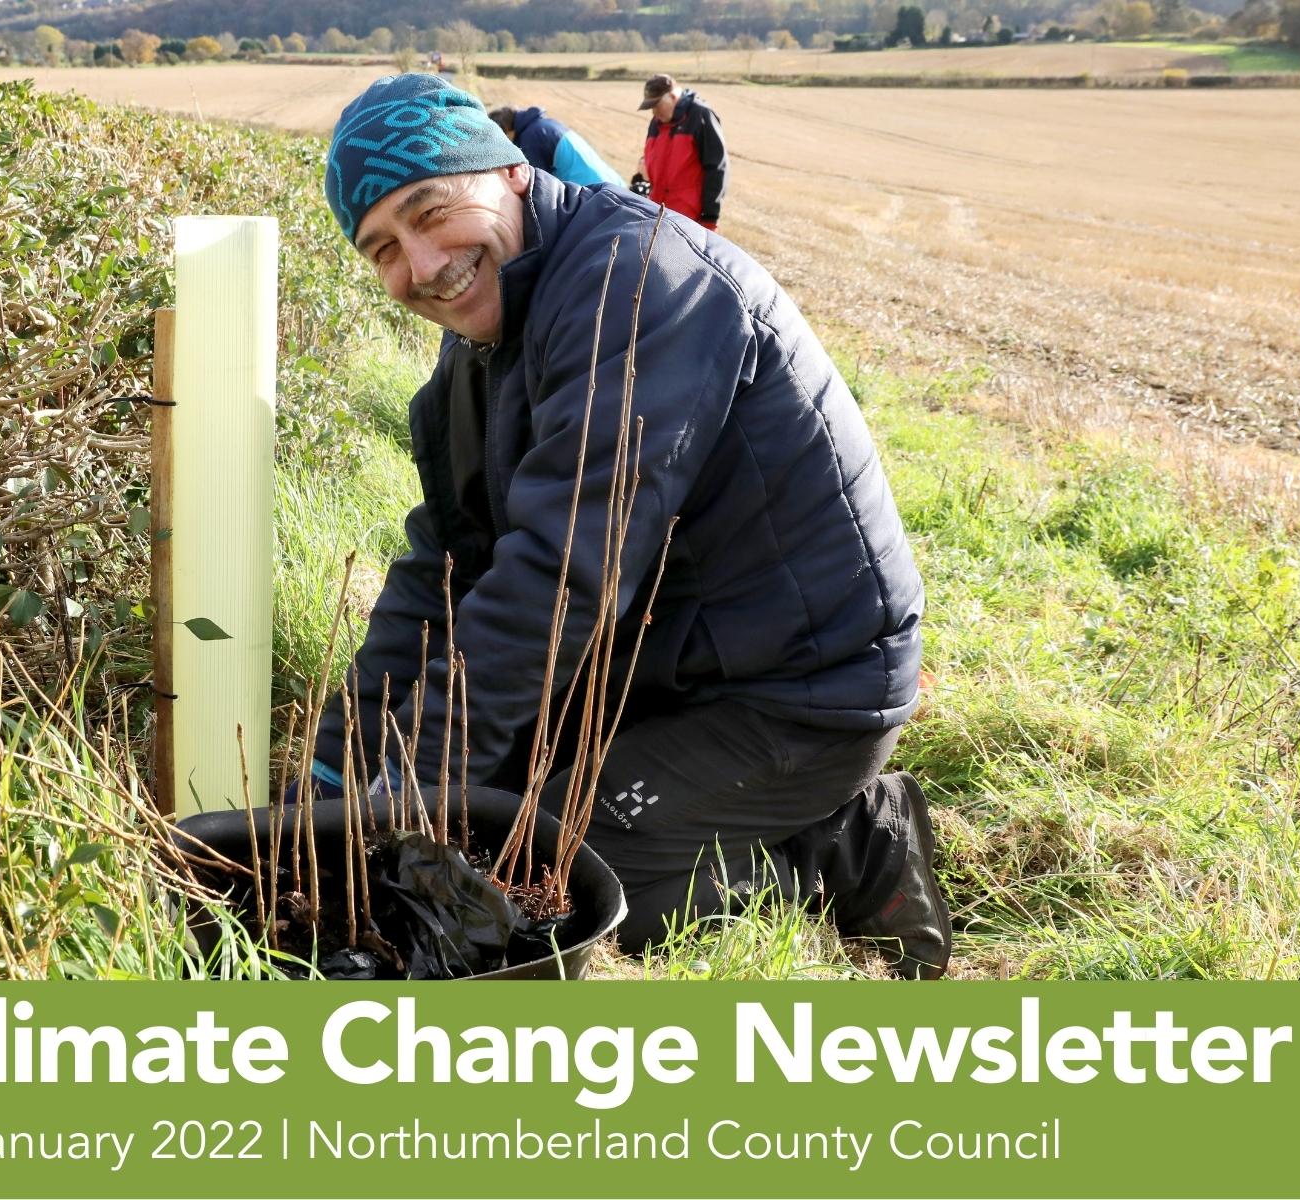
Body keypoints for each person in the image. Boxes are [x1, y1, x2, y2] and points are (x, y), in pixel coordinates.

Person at [313, 74, 949, 978]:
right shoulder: (478, 350)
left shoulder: (641, 285)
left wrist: (418, 779)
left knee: (557, 886)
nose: (420, 266)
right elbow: (442, 566)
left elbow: (563, 570)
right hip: (662, 664)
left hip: (800, 693)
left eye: (431, 209)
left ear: (509, 173)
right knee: (482, 819)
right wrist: (340, 769)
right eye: (382, 248)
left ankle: (841, 843)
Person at [631, 73, 727, 233]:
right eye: (651, 107)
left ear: (673, 96)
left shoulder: (701, 116)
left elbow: (717, 169)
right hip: (657, 215)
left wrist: (710, 219)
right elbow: (650, 160)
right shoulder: (656, 123)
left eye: (657, 105)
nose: (654, 112)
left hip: (689, 221)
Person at [487, 105, 624, 189]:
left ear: (506, 131)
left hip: (594, 191)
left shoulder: (530, 138)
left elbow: (539, 187)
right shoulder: (543, 124)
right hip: (610, 182)